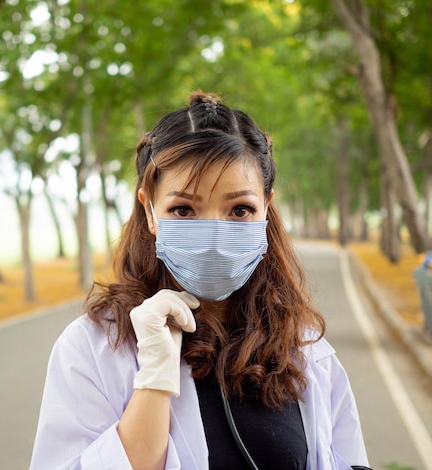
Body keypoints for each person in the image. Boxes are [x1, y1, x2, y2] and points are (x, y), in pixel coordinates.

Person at [30, 92, 370, 469]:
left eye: (240, 209)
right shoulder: (92, 349)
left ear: (266, 209)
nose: (213, 236)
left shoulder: (304, 347)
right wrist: (155, 375)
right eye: (183, 210)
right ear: (149, 211)